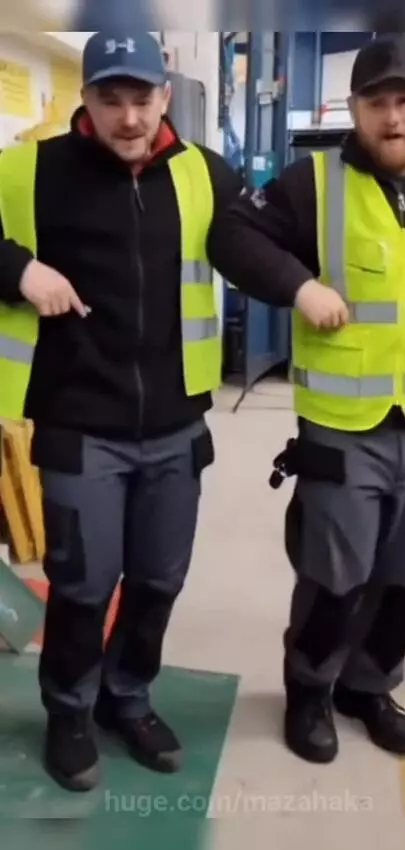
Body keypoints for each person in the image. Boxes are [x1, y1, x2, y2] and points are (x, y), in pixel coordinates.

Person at [207, 33, 405, 764]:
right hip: (342, 428)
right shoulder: (312, 184)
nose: (392, 117)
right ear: (353, 108)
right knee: (334, 579)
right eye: (376, 102)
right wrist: (300, 286)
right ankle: (311, 693)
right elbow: (229, 235)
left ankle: (368, 688)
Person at [0, 31, 241, 791]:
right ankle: (69, 709)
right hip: (77, 425)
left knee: (159, 580)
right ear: (87, 100)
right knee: (82, 583)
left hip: (175, 427)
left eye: (143, 98)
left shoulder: (203, 174)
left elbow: (271, 237)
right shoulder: (30, 170)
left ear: (166, 97)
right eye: (112, 98)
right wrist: (18, 268)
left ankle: (127, 697)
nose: (129, 117)